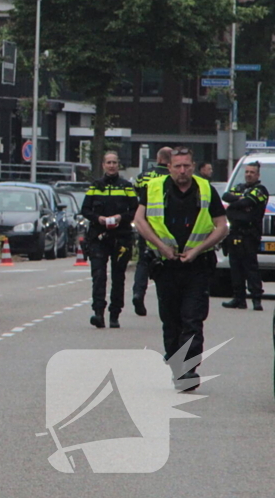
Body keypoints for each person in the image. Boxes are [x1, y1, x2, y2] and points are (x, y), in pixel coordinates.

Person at [134, 147, 228, 392]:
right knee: (171, 319)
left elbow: (221, 226)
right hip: (166, 265)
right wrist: (161, 247)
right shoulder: (154, 188)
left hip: (197, 265)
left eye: (187, 166)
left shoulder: (206, 190)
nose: (183, 171)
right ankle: (176, 362)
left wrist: (198, 249)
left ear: (193, 166)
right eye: (178, 166)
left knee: (193, 319)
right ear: (169, 168)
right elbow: (140, 220)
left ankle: (188, 369)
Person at [81, 151, 138, 329]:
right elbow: (85, 210)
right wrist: (98, 219)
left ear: (118, 165)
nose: (111, 165)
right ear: (103, 165)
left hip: (121, 237)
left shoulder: (127, 186)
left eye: (114, 162)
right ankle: (98, 313)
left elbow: (135, 210)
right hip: (99, 237)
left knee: (118, 276)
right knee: (98, 276)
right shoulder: (95, 186)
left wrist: (120, 217)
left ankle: (115, 314)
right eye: (108, 162)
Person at [221, 161, 269, 311]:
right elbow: (226, 196)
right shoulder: (240, 187)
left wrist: (239, 203)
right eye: (247, 172)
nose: (249, 174)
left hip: (249, 235)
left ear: (258, 175)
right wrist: (240, 202)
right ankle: (239, 299)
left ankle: (256, 299)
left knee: (250, 268)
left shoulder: (261, 190)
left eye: (252, 172)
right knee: (235, 268)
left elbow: (247, 202)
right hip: (234, 233)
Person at [131, 146, 172, 316]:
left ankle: (138, 292)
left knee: (143, 260)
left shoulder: (143, 176)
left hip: (146, 225)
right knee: (167, 263)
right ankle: (166, 301)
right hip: (167, 226)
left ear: (157, 158)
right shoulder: (172, 176)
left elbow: (135, 197)